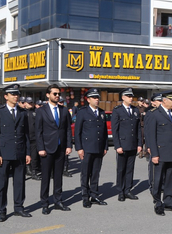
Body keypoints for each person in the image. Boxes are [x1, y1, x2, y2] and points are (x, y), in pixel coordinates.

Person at [0, 84, 32, 222]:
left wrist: (27, 153)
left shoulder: (22, 112)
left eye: (17, 94)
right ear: (6, 96)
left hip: (19, 152)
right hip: (4, 153)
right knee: (2, 183)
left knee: (20, 182)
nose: (16, 96)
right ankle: (2, 210)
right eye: (13, 94)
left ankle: (19, 207)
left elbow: (26, 135)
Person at [35, 84, 73, 214]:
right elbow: (38, 131)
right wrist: (40, 148)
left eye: (58, 94)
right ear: (48, 95)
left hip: (60, 148)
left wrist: (68, 145)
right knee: (46, 177)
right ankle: (45, 203)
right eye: (54, 94)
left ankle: (58, 201)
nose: (57, 96)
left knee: (58, 176)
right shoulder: (41, 111)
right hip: (47, 148)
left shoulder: (64, 110)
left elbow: (67, 129)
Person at [145, 91, 172, 215]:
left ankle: (168, 202)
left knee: (170, 179)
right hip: (160, 153)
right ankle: (157, 202)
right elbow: (151, 136)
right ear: (165, 100)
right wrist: (154, 154)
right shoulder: (154, 114)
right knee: (157, 180)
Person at [75, 89, 109, 208]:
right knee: (85, 173)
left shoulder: (101, 112)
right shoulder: (83, 112)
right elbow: (77, 132)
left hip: (99, 148)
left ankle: (94, 195)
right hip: (87, 148)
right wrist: (79, 148)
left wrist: (105, 146)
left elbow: (104, 132)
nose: (97, 99)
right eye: (94, 98)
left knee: (95, 173)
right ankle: (85, 197)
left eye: (97, 97)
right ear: (88, 99)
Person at [111, 87, 142, 201]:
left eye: (131, 96)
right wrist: (117, 145)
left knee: (130, 169)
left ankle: (128, 190)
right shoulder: (117, 110)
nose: (131, 98)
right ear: (123, 97)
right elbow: (115, 130)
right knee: (121, 169)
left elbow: (138, 129)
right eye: (128, 96)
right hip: (122, 145)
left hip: (133, 144)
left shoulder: (135, 110)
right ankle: (120, 191)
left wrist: (139, 144)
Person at [24, 97, 40, 179]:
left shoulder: (36, 112)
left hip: (34, 137)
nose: (30, 104)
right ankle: (26, 170)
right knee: (24, 155)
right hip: (24, 137)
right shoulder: (22, 112)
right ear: (25, 103)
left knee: (34, 156)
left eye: (31, 103)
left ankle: (34, 172)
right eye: (28, 103)